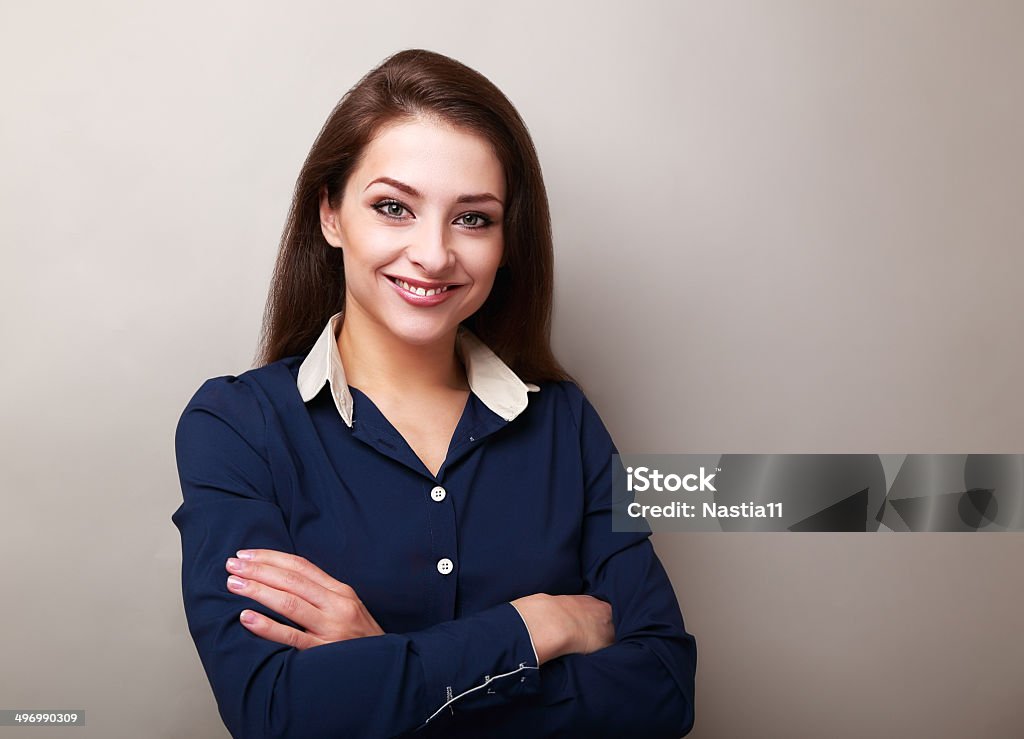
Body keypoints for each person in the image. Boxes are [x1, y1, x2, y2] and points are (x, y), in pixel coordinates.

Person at [172, 48, 696, 738]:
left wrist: (376, 663)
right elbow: (277, 712)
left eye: (472, 217)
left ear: (508, 241)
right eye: (393, 207)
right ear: (330, 214)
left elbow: (661, 690)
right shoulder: (237, 426)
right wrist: (535, 626)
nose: (433, 253)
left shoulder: (566, 422)